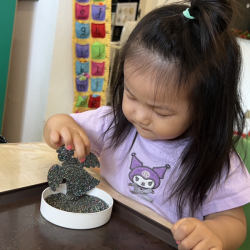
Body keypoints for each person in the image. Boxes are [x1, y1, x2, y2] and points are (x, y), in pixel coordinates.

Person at [44, 0, 250, 249]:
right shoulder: (113, 123)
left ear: (206, 108)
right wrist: (61, 126)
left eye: (160, 112)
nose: (139, 116)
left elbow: (233, 222)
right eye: (131, 95)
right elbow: (58, 123)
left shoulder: (216, 162)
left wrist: (214, 233)